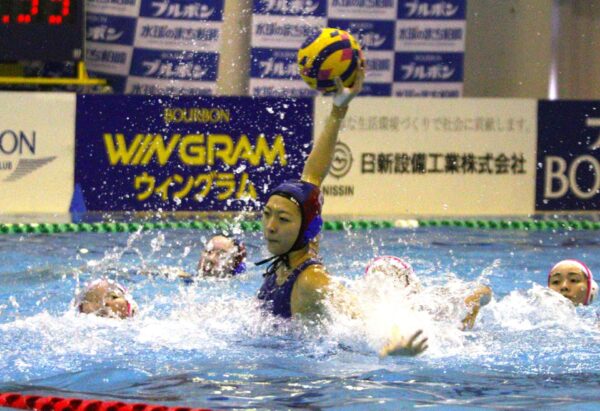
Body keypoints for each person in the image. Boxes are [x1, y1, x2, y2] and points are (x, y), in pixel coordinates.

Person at [256, 68, 427, 357]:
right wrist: (338, 110)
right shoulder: (289, 257)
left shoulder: (311, 280)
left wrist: (393, 344)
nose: (271, 226)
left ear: (307, 229)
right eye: (267, 214)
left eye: (283, 219)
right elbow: (313, 174)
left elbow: (362, 315)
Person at [364, 256, 492, 331]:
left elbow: (483, 291)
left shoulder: (429, 302)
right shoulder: (367, 310)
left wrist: (471, 312)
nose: (388, 288)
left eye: (395, 280)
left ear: (410, 282)